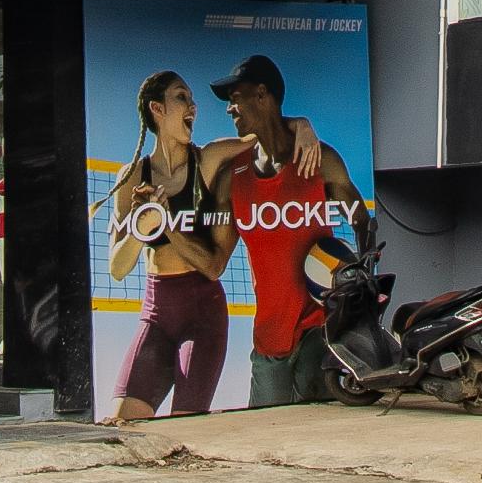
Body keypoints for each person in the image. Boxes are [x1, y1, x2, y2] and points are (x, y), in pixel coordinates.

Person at [211, 52, 364, 408]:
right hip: (269, 336)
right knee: (264, 432)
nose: (230, 110)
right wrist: (160, 232)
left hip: (319, 327)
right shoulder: (231, 176)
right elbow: (215, 262)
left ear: (262, 94)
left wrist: (358, 279)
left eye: (235, 99)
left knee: (319, 428)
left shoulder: (320, 160)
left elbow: (360, 219)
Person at [106, 72, 231, 420]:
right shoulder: (132, 176)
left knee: (185, 426)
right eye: (181, 97)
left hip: (203, 312)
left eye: (192, 98)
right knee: (122, 423)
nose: (193, 106)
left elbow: (261, 137)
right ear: (157, 109)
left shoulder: (208, 159)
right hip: (157, 311)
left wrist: (302, 127)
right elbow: (117, 269)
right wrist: (142, 227)